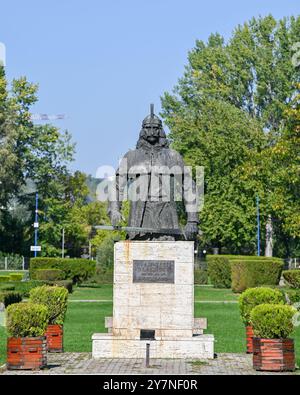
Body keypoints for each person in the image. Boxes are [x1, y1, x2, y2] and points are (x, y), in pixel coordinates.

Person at [108, 104, 199, 241]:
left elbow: (188, 186)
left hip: (166, 216)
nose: (151, 132)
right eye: (148, 128)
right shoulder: (131, 157)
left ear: (160, 130)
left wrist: (192, 220)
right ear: (142, 130)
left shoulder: (173, 156)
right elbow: (116, 186)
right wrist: (114, 210)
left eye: (155, 128)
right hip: (139, 219)